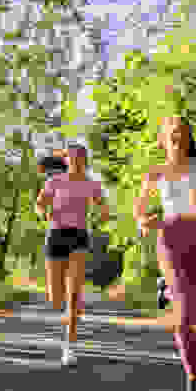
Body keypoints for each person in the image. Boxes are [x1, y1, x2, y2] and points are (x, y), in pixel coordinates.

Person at [135, 115, 196, 391]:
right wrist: (144, 221)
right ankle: (193, 383)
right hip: (169, 237)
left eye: (182, 132)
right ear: (162, 139)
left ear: (188, 137)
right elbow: (140, 211)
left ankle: (168, 289)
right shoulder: (155, 172)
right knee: (184, 317)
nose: (176, 137)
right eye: (171, 133)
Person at [35, 144, 110, 366]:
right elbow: (39, 204)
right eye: (73, 157)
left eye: (81, 157)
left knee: (74, 294)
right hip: (56, 235)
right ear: (66, 160)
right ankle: (70, 311)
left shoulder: (91, 183)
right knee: (55, 297)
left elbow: (102, 206)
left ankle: (70, 345)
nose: (77, 160)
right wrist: (42, 213)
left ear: (85, 160)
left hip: (79, 236)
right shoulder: (55, 181)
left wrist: (103, 214)